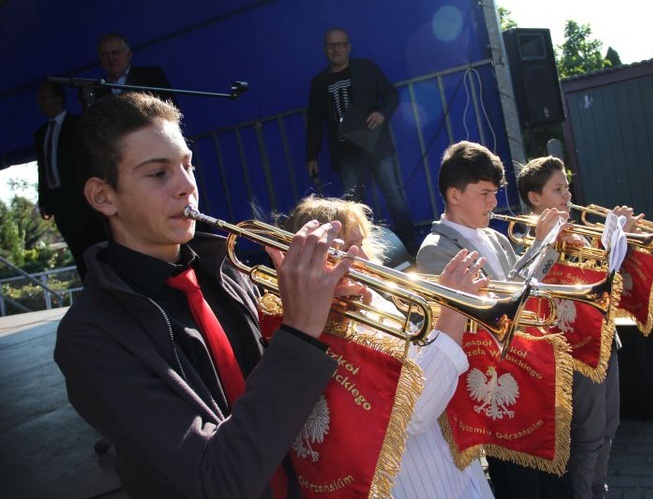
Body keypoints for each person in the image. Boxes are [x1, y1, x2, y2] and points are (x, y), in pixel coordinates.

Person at [54, 92, 363, 498]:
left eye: (187, 165)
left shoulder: (228, 267)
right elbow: (216, 479)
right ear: (103, 197)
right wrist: (301, 328)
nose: (187, 187)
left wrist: (329, 311)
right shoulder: (90, 337)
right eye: (158, 174)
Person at [283, 195, 494, 498]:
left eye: (359, 243)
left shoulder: (383, 302)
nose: (355, 257)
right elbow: (416, 409)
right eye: (339, 249)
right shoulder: (327, 332)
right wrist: (453, 313)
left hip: (463, 481)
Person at [415, 141, 570, 499]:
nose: (493, 203)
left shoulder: (495, 236)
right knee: (521, 486)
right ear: (454, 194)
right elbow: (491, 311)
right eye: (485, 193)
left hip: (526, 368)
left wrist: (545, 248)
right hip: (494, 383)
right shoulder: (437, 248)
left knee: (555, 482)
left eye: (495, 193)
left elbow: (530, 291)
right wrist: (538, 246)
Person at [517, 156, 639, 499]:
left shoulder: (579, 234)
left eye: (567, 187)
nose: (567, 196)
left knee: (610, 425)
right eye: (557, 190)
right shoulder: (530, 239)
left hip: (604, 340)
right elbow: (525, 290)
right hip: (573, 353)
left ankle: (599, 487)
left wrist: (617, 240)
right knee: (587, 435)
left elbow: (610, 283)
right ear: (534, 198)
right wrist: (545, 244)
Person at [305, 27, 418, 256]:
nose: (336, 49)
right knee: (354, 206)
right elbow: (314, 120)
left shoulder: (365, 68)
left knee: (393, 194)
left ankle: (412, 246)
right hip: (345, 152)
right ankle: (366, 253)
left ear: (349, 47)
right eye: (331, 45)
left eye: (340, 44)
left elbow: (391, 95)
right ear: (325, 50)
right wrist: (311, 155)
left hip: (377, 145)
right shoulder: (319, 82)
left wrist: (381, 114)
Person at [34, 81, 107, 280]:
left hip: (81, 200)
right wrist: (44, 200)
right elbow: (43, 168)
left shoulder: (77, 124)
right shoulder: (41, 134)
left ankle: (109, 289)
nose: (40, 102)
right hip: (59, 203)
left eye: (44, 97)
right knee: (78, 251)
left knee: (95, 246)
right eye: (39, 98)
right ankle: (91, 292)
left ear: (58, 99)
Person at [80, 32, 175, 107]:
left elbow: (170, 109)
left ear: (129, 54)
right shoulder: (96, 89)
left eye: (115, 53)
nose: (111, 59)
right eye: (105, 55)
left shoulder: (152, 77)